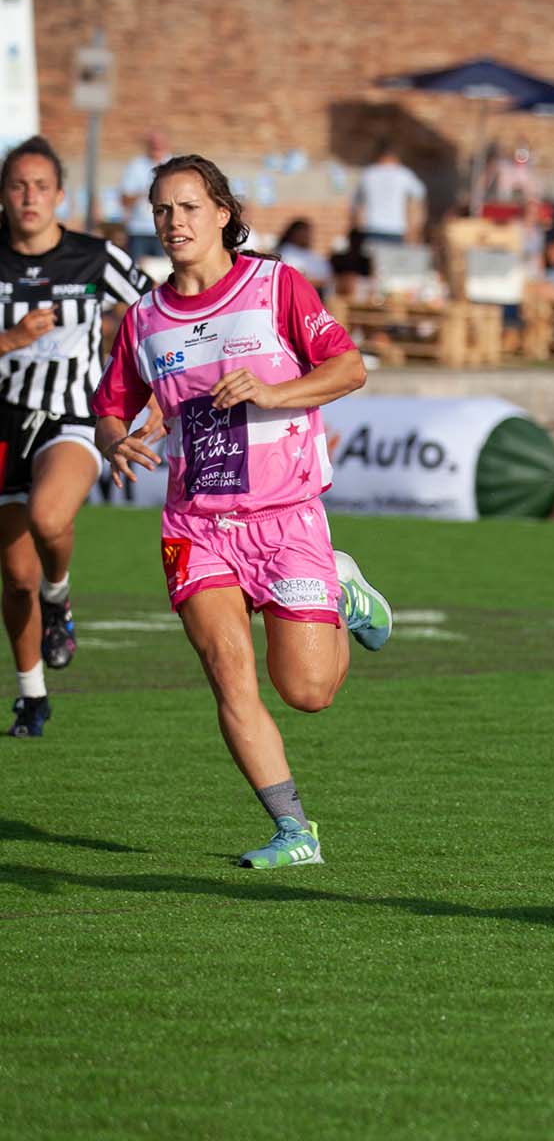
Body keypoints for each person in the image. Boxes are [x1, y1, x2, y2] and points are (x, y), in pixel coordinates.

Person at [93, 153, 394, 868]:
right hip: (195, 525)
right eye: (162, 210)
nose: (174, 223)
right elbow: (110, 408)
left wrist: (273, 391)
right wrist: (117, 442)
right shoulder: (143, 320)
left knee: (307, 691)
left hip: (286, 516)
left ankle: (343, 587)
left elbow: (349, 368)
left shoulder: (275, 285)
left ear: (223, 214)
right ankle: (295, 832)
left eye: (189, 207)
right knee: (229, 670)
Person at [0, 136, 155, 736]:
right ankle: (32, 695)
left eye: (41, 186)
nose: (30, 197)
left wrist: (155, 393)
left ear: (61, 195)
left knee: (48, 516)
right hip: (4, 421)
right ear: (5, 195)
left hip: (72, 415)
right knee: (15, 578)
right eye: (18, 185)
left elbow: (158, 310)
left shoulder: (95, 258)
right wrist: (11, 341)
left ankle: (59, 597)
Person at [351, 141, 425, 245]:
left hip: (372, 227)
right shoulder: (404, 174)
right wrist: (414, 225)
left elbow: (356, 204)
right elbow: (419, 195)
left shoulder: (368, 174)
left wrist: (357, 226)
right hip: (396, 229)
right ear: (395, 157)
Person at [117, 130, 173, 262]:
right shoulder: (136, 166)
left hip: (166, 229)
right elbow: (124, 199)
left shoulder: (174, 164)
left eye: (160, 143)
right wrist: (145, 193)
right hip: (139, 229)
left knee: (165, 272)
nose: (157, 146)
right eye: (153, 143)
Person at [274, 218, 332, 290]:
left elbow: (327, 277)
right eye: (303, 232)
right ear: (293, 234)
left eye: (309, 232)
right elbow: (296, 278)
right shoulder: (286, 253)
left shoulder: (314, 255)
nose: (307, 236)